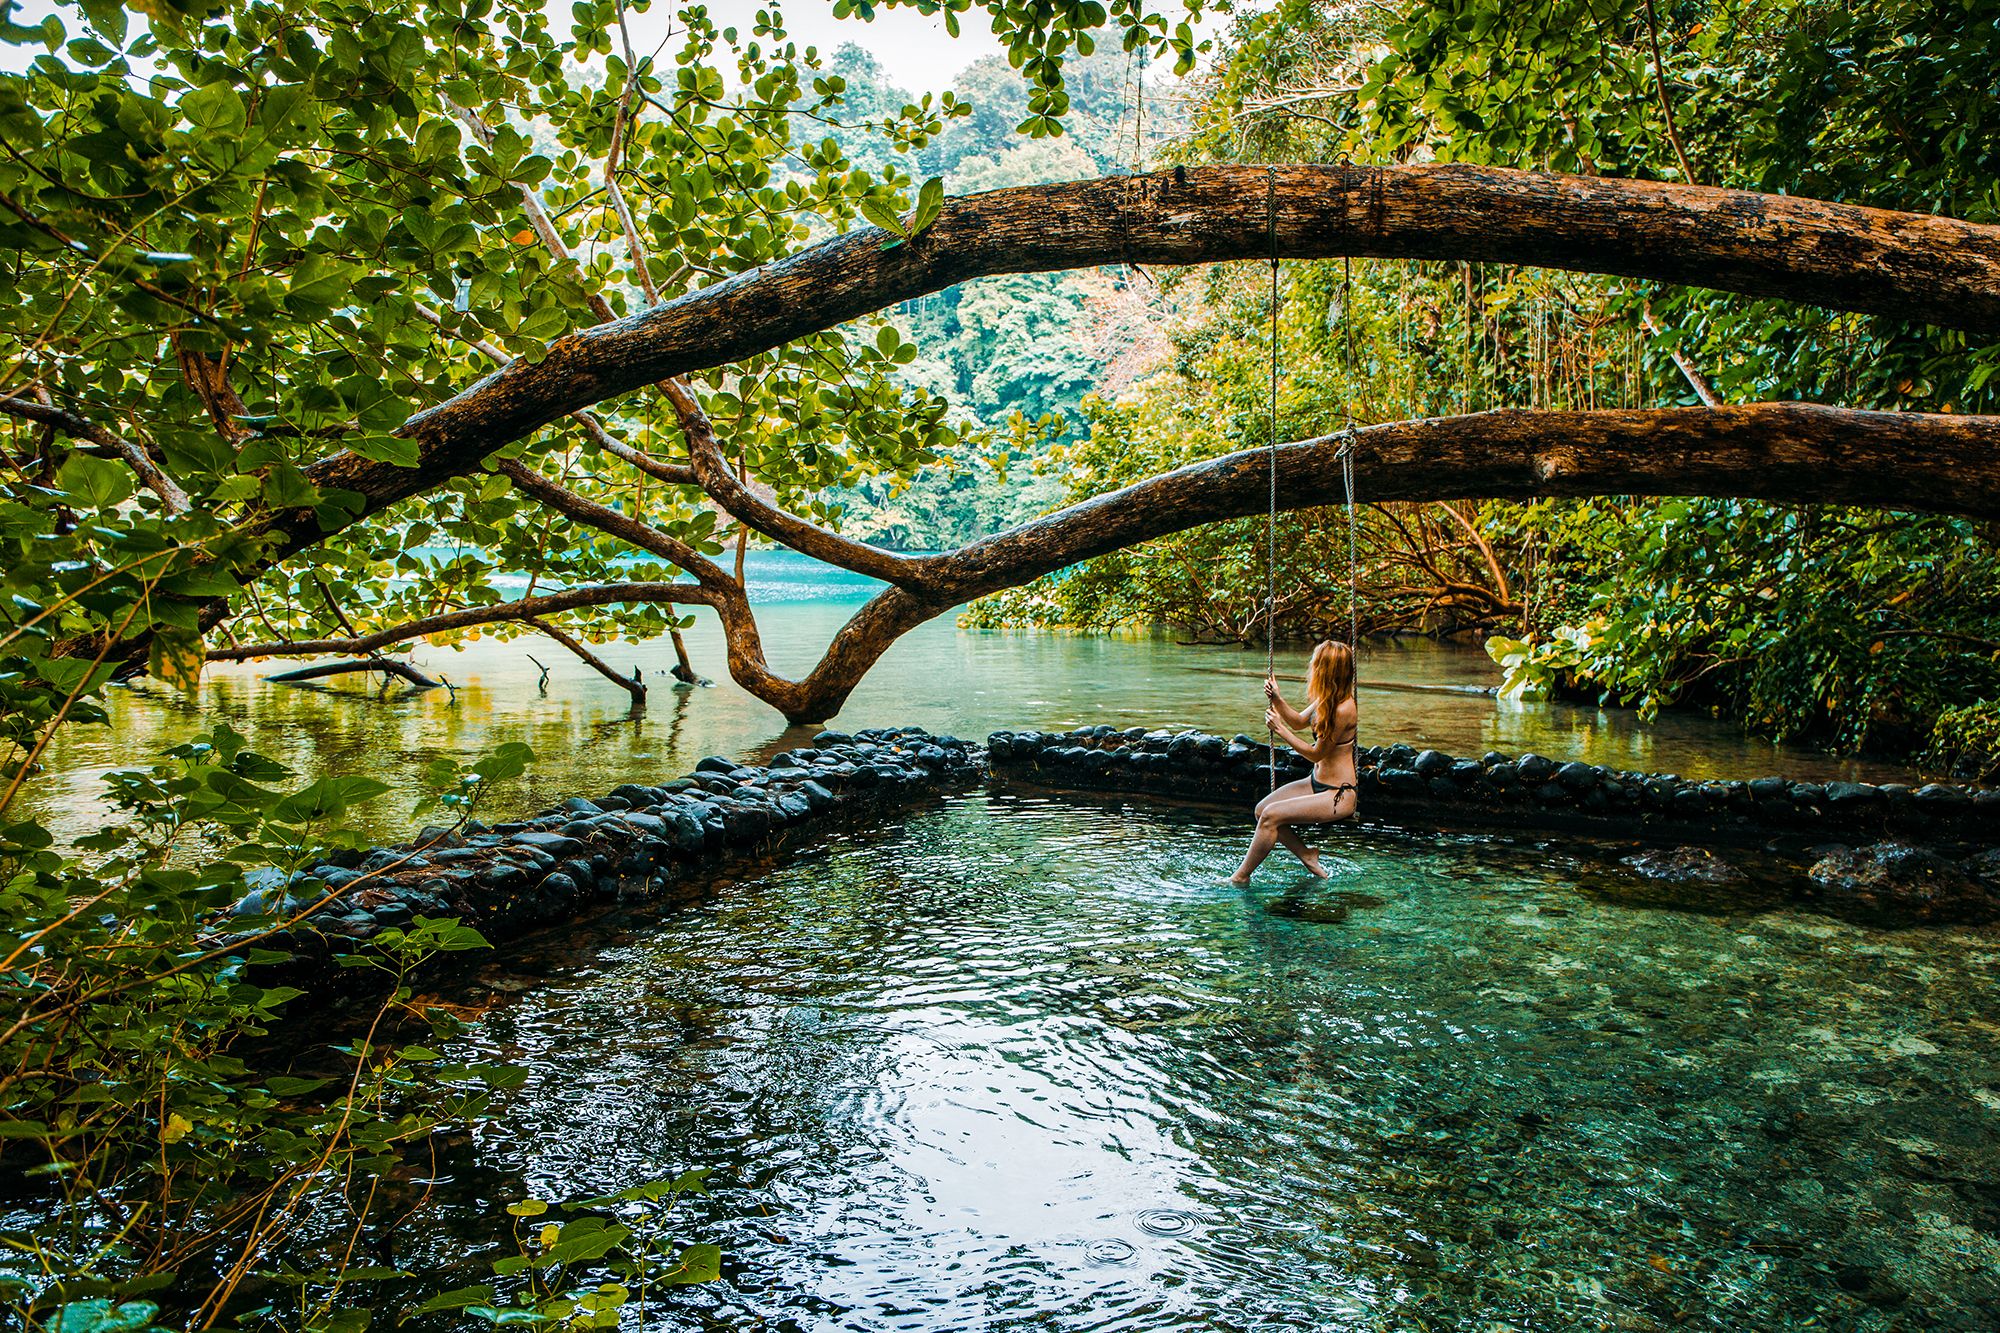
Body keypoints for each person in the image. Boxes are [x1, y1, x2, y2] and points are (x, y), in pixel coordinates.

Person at [1230, 640, 1359, 883]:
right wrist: (1277, 699)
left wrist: (1281, 730)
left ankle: (1241, 876)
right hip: (1316, 782)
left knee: (1271, 816)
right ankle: (1307, 854)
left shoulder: (1344, 708)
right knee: (1262, 811)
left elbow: (1315, 754)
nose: (1311, 668)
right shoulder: (1327, 698)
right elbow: (1299, 721)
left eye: (1316, 664)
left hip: (1338, 794)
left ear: (1325, 670)